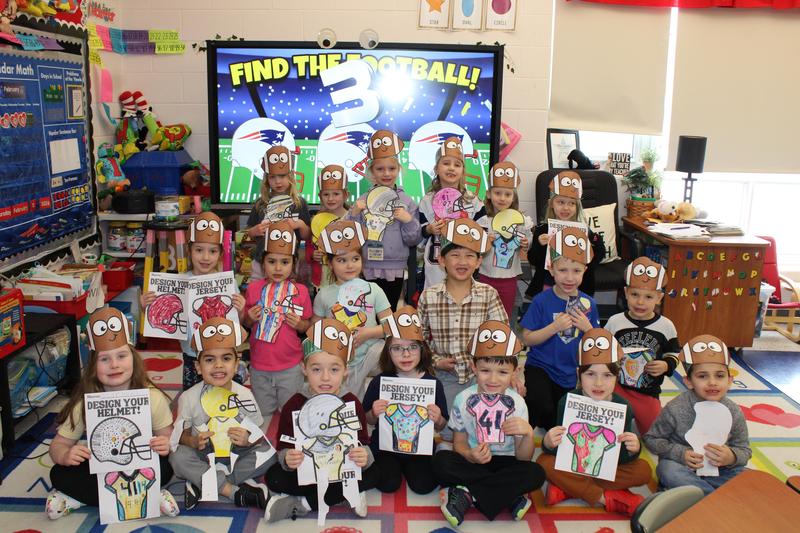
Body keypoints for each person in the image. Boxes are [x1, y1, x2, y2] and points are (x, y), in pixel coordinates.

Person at [46, 307, 179, 520]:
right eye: (104, 359)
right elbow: (57, 446)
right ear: (92, 366)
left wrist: (165, 444)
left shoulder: (153, 398)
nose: (114, 365)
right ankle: (149, 494)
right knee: (59, 473)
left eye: (121, 356)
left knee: (167, 468)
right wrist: (65, 455)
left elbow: (170, 437)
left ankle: (77, 499)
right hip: (101, 464)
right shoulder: (85, 401)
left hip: (139, 463)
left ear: (134, 359)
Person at [265, 319, 379, 522]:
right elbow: (283, 445)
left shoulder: (352, 403)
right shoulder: (294, 404)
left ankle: (303, 504)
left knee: (378, 471)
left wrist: (364, 456)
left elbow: (363, 441)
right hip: (310, 469)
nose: (325, 378)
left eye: (334, 370)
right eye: (316, 369)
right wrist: (287, 458)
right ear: (304, 369)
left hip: (341, 468)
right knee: (274, 477)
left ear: (346, 371)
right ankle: (347, 493)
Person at [433, 321, 545, 526]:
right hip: (474, 461)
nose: (493, 379)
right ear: (473, 367)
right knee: (441, 461)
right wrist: (469, 455)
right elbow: (459, 443)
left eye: (502, 372)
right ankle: (508, 496)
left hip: (507, 462)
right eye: (485, 370)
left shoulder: (518, 403)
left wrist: (528, 434)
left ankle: (468, 495)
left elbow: (524, 457)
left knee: (536, 474)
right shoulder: (462, 399)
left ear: (515, 371)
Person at [538, 328, 651, 516]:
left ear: (617, 377)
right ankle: (606, 498)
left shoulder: (624, 406)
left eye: (607, 375)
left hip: (604, 467)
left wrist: (633, 449)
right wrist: (548, 443)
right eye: (590, 374)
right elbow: (561, 452)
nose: (598, 383)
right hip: (574, 465)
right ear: (578, 375)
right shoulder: (567, 401)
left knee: (644, 471)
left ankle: (568, 489)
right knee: (543, 462)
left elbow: (620, 459)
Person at [169, 317, 275, 511]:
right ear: (199, 368)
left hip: (236, 454)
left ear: (236, 365)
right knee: (177, 456)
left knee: (270, 454)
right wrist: (193, 441)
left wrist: (247, 439)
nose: (218, 366)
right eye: (210, 360)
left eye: (226, 359)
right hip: (203, 454)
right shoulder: (189, 397)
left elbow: (258, 435)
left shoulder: (244, 394)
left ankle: (203, 482)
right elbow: (179, 437)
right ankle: (230, 490)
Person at [417, 218, 513, 420]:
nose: (462, 262)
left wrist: (508, 373)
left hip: (482, 377)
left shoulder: (488, 294)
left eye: (470, 256)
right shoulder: (429, 296)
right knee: (449, 428)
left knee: (483, 428)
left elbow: (502, 337)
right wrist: (435, 361)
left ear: (479, 261)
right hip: (445, 376)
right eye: (455, 255)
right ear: (442, 260)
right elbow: (420, 338)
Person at [141, 211, 246, 390]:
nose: (205, 257)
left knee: (225, 398)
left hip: (222, 353)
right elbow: (160, 322)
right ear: (189, 250)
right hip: (192, 354)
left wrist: (241, 309)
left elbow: (237, 321)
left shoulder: (228, 284)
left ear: (220, 253)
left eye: (212, 251)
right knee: (193, 397)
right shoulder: (180, 282)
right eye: (199, 250)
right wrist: (146, 307)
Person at [644, 334, 751, 495]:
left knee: (749, 477)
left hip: (720, 471)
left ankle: (696, 495)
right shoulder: (675, 408)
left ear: (729, 380)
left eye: (719, 376)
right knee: (667, 471)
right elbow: (651, 439)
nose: (712, 382)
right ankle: (712, 499)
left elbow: (744, 450)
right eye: (702, 376)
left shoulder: (733, 411)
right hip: (682, 468)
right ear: (688, 381)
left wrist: (731, 457)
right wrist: (681, 454)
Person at [362, 306, 449, 494]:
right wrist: (374, 413)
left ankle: (437, 452)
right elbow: (367, 419)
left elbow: (442, 425)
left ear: (422, 349)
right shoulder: (380, 382)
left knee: (423, 486)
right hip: (385, 445)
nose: (406, 354)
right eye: (397, 348)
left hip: (419, 446)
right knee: (387, 484)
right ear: (388, 352)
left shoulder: (433, 383)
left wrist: (438, 418)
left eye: (412, 347)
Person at [520, 228, 600, 430]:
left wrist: (588, 328)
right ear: (551, 269)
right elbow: (527, 339)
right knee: (540, 407)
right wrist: (554, 327)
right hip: (541, 367)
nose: (569, 278)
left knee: (564, 420)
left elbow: (596, 345)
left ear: (585, 271)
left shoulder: (589, 303)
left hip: (571, 373)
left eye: (576, 271)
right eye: (563, 270)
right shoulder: (541, 300)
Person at [313, 219, 393, 398]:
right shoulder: (324, 295)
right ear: (330, 263)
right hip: (336, 360)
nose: (350, 265)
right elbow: (316, 331)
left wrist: (368, 333)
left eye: (355, 259)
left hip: (370, 357)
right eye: (342, 260)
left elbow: (392, 326)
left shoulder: (374, 290)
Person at [243, 220, 312, 419]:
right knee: (262, 414)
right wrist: (249, 318)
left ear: (293, 264)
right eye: (271, 261)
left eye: (285, 262)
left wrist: (299, 324)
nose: (278, 268)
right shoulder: (254, 289)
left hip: (290, 365)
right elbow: (246, 325)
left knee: (291, 413)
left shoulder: (301, 291)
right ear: (262, 264)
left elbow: (307, 324)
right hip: (259, 365)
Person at [347, 129, 422, 309]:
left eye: (392, 168)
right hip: (367, 267)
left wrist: (408, 220)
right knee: (367, 312)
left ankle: (387, 338)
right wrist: (355, 213)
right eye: (380, 169)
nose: (386, 173)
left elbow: (414, 239)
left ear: (399, 169)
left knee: (389, 312)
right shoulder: (363, 200)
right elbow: (351, 237)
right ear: (372, 172)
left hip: (394, 269)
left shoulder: (406, 201)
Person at [605, 257, 680, 434]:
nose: (640, 302)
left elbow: (674, 354)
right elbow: (603, 351)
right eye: (634, 295)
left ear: (659, 298)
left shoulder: (666, 326)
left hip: (648, 392)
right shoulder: (615, 322)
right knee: (609, 431)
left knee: (654, 437)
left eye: (648, 297)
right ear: (625, 292)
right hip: (616, 389)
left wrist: (665, 365)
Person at [526, 171, 604, 299]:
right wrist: (540, 245)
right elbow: (533, 259)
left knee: (574, 317)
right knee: (550, 314)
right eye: (561, 202)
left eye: (571, 203)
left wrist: (590, 249)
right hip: (548, 284)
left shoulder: (585, 231)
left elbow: (600, 253)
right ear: (552, 204)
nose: (566, 208)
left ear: (577, 207)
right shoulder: (542, 230)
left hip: (577, 286)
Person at [418, 137, 482, 289]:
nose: (451, 168)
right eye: (446, 163)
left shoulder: (473, 201)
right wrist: (429, 229)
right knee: (435, 300)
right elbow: (418, 233)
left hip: (463, 265)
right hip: (435, 265)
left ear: (463, 171)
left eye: (457, 165)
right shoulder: (428, 200)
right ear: (436, 169)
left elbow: (482, 231)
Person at [475, 161, 533, 318]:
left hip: (509, 279)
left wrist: (526, 242)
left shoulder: (521, 220)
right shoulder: (483, 221)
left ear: (513, 196)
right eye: (497, 193)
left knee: (504, 316)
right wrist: (484, 241)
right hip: (485, 277)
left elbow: (528, 241)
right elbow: (474, 248)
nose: (502, 198)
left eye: (507, 194)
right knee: (482, 316)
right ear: (489, 194)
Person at [245, 144, 311, 281]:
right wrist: (254, 231)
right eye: (272, 177)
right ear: (267, 180)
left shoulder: (299, 203)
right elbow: (248, 233)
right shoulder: (260, 203)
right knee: (259, 295)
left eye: (282, 176)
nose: (278, 181)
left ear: (291, 176)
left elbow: (307, 235)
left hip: (289, 264)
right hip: (261, 263)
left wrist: (300, 224)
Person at [307, 164, 349, 290]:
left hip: (347, 276)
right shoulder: (317, 220)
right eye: (326, 195)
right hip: (323, 276)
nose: (331, 199)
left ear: (345, 195)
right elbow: (310, 245)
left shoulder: (351, 218)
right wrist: (312, 255)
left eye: (336, 194)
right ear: (320, 196)